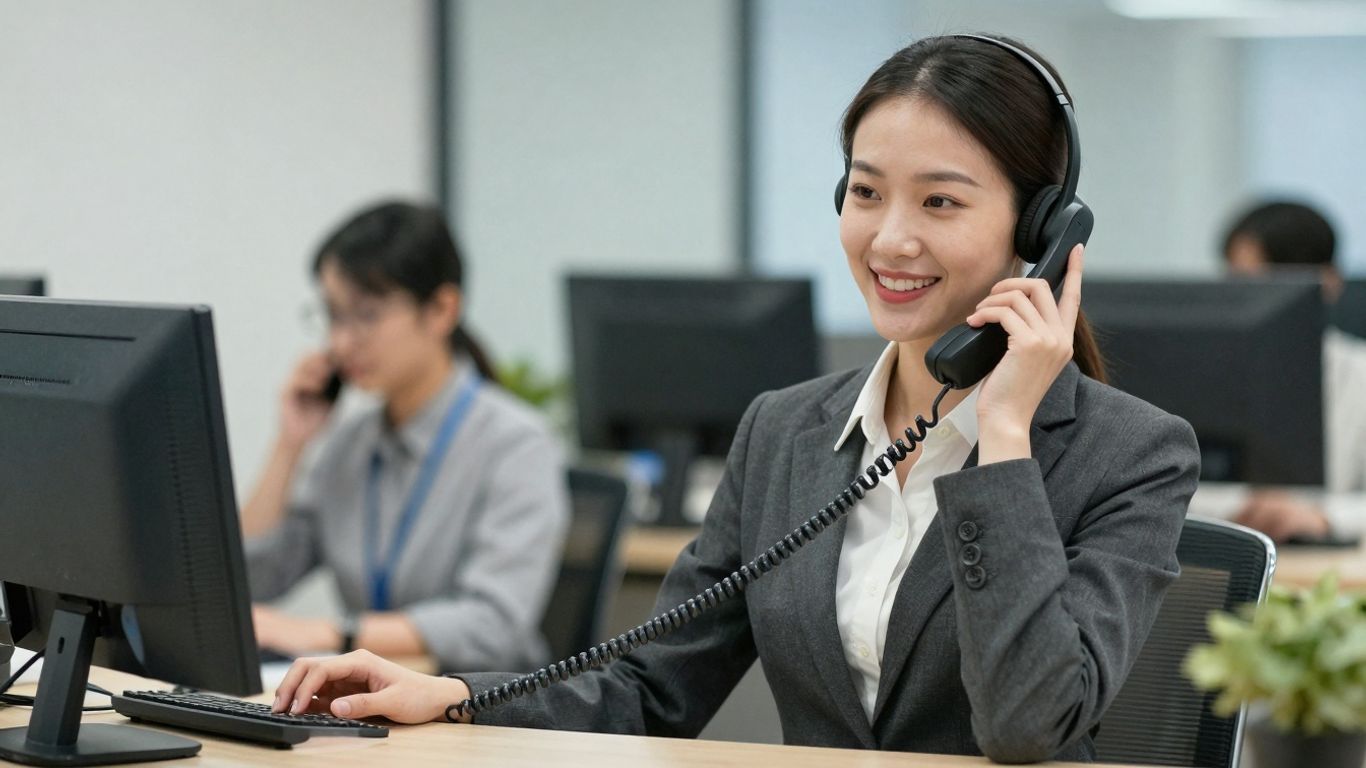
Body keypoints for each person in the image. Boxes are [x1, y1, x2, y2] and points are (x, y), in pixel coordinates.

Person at [270, 36, 1199, 762]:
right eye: (867, 193)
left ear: (1039, 234)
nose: (890, 239)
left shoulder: (1133, 454)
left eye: (942, 204)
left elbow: (1029, 724)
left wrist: (1003, 434)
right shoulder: (786, 433)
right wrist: (457, 694)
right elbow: (651, 689)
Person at [242, 200, 569, 672]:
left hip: (481, 713)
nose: (340, 342)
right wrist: (289, 445)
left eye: (366, 315)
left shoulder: (515, 444)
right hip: (372, 706)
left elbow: (493, 623)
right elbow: (249, 581)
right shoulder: (352, 443)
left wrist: (329, 633)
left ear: (441, 310)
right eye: (333, 315)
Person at [1220, 200, 1366, 543]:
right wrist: (1245, 507)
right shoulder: (1208, 370)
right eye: (1235, 283)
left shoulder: (1360, 373)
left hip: (1325, 566)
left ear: (1327, 283)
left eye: (1263, 286)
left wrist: (1324, 517)